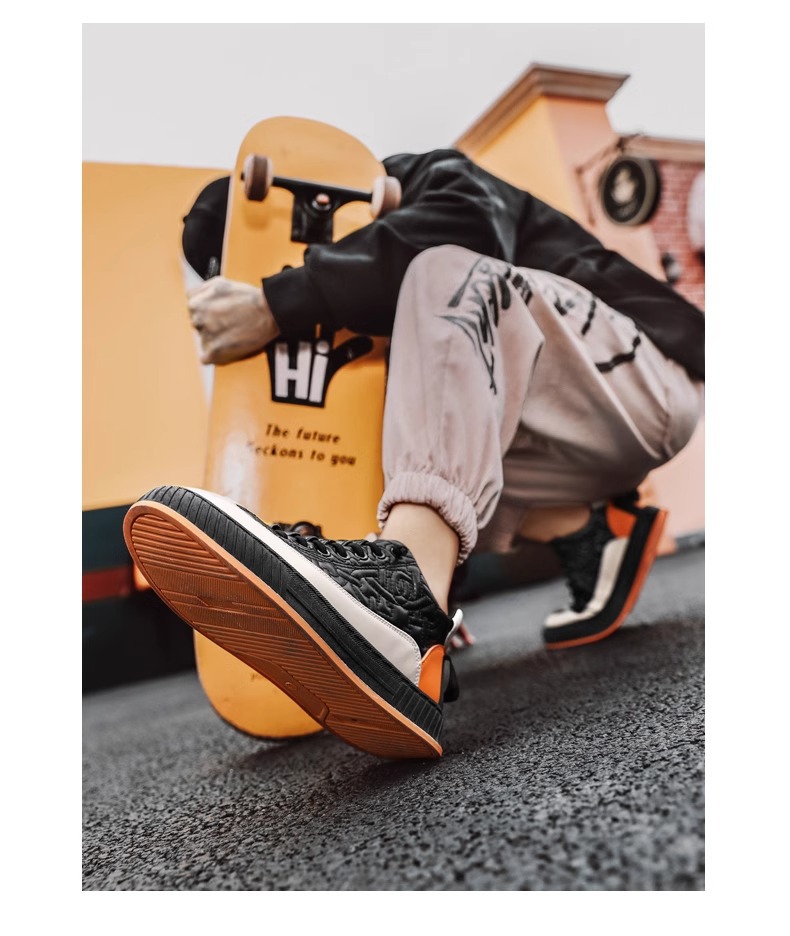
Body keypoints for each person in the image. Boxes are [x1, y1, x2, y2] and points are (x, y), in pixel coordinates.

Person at [125, 149, 704, 760]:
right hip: (558, 449)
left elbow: (470, 228)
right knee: (384, 419)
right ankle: (584, 534)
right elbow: (438, 417)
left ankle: (403, 603)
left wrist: (277, 303)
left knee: (441, 269)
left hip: (644, 384)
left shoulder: (425, 178)